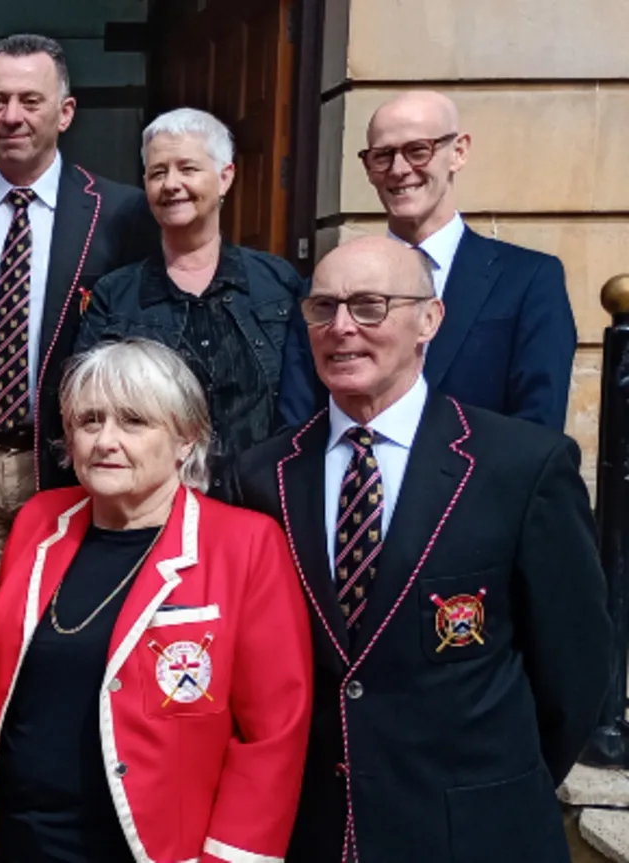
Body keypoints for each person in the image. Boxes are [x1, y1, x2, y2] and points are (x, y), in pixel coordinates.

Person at [235, 237, 611, 862]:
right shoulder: (261, 476)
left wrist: (494, 782)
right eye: (323, 308)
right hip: (315, 833)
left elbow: (575, 670)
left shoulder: (519, 466)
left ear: (429, 320)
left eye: (370, 306)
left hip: (473, 832)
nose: (342, 327)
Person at [0, 31, 159, 824]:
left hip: (76, 469)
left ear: (66, 110)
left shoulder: (118, 212)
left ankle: (62, 799)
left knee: (66, 639)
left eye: (30, 100)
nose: (13, 115)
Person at [0, 339, 312, 862]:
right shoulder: (39, 522)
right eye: (89, 421)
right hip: (22, 836)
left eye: (132, 421)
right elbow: (0, 692)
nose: (106, 440)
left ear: (185, 437)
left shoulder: (245, 544)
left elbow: (273, 733)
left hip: (150, 846)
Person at [280, 90, 575, 430]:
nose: (399, 170)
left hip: (480, 479)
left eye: (418, 151)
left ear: (458, 152)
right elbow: (297, 428)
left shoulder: (528, 280)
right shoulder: (326, 292)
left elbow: (538, 429)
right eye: (383, 156)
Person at [77, 108, 307, 502]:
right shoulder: (115, 294)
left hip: (260, 504)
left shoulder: (276, 283)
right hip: (150, 508)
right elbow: (88, 405)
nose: (172, 184)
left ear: (225, 177)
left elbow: (300, 404)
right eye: (157, 172)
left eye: (188, 168)